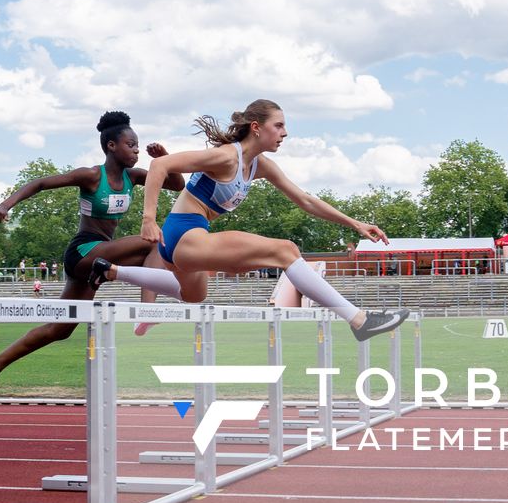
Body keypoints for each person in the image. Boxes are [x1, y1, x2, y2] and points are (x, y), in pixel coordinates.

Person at [106, 99, 409, 342]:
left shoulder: (260, 165)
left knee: (194, 295)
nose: (284, 133)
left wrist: (355, 224)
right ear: (256, 127)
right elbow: (160, 165)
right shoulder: (226, 157)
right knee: (286, 250)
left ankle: (115, 273)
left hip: (190, 241)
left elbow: (305, 200)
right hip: (184, 232)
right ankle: (359, 320)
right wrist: (148, 219)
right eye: (279, 125)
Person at [0, 111, 186, 403]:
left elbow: (177, 185)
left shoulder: (134, 177)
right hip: (84, 251)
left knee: (60, 328)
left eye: (138, 145)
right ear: (111, 146)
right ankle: (147, 311)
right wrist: (5, 204)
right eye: (131, 144)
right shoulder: (91, 176)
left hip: (101, 259)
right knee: (153, 242)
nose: (137, 150)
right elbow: (40, 183)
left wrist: (165, 159)